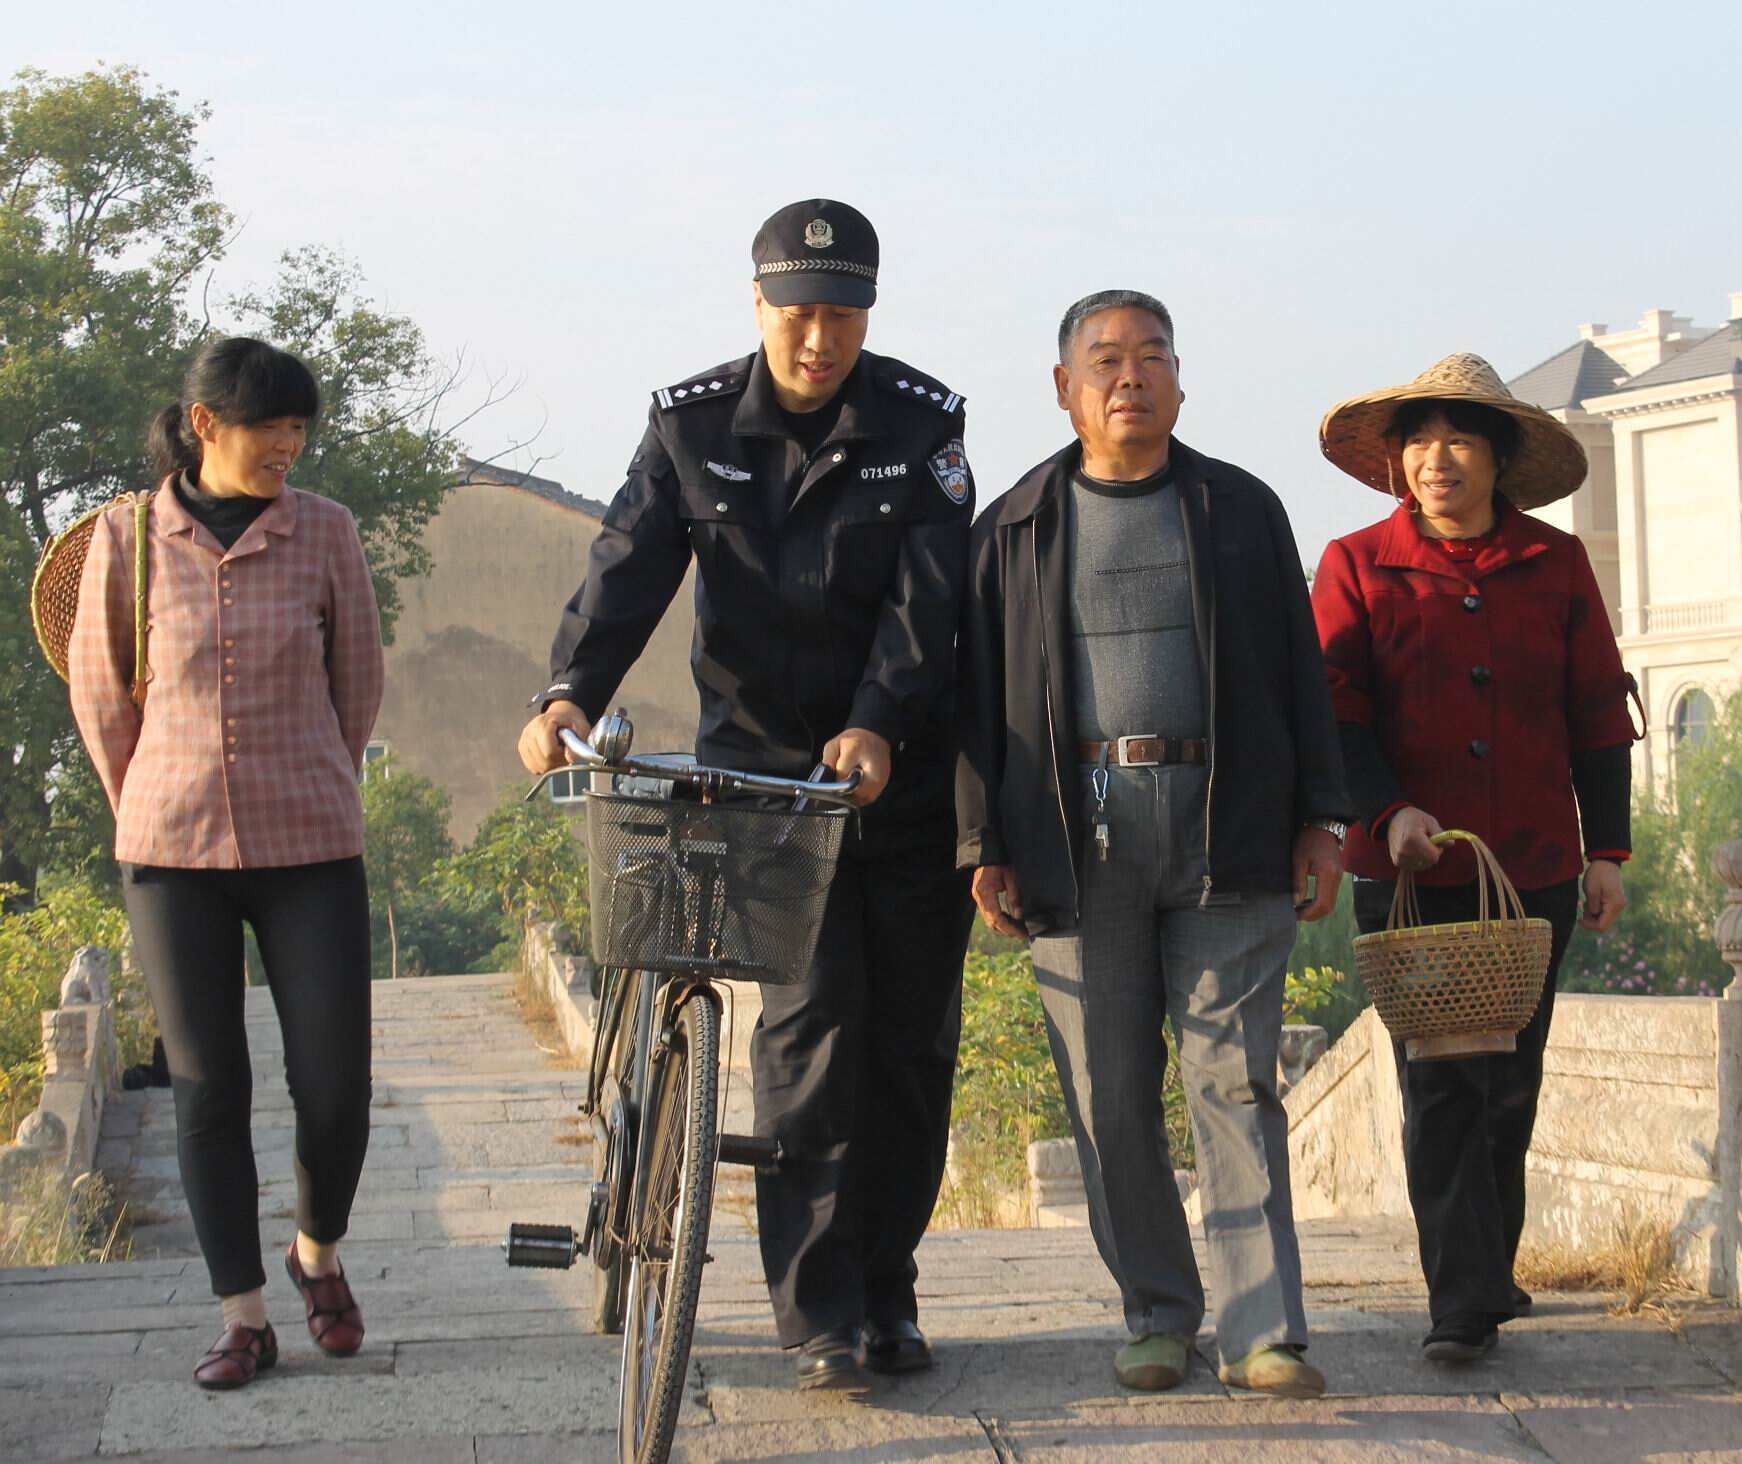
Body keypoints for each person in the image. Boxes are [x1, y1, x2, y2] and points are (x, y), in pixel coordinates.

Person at [518, 200, 974, 1392]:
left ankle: (891, 1287)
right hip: (766, 786)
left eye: (843, 315)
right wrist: (568, 693)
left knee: (912, 1053)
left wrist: (877, 721)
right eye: (799, 313)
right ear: (759, 303)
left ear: (869, 314)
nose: (820, 340)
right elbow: (626, 568)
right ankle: (820, 1311)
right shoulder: (690, 426)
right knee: (813, 1040)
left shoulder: (925, 426)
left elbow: (930, 606)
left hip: (904, 779)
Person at [957, 290, 1351, 1398]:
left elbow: (1299, 671)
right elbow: (979, 703)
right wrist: (984, 839)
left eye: (1153, 357)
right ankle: (1158, 1312)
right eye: (1107, 360)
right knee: (1110, 1094)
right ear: (1064, 387)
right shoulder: (1017, 527)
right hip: (1075, 834)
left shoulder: (1241, 511)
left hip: (1228, 822)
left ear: (1182, 381)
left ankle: (1262, 1330)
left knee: (1233, 1081)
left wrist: (1324, 818)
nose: (1131, 377)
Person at [1310, 352, 1641, 1363]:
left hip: (1535, 861)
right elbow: (1335, 709)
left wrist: (1609, 849)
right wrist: (1388, 808)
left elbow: (1596, 710)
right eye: (1417, 439)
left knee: (1511, 1081)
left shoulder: (1555, 564)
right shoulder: (1357, 563)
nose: (1434, 458)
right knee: (1440, 1084)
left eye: (1458, 439)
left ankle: (1490, 1265)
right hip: (1411, 875)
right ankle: (1460, 1302)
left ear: (1499, 458)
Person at [68, 337, 384, 1389]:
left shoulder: (326, 532)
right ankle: (242, 1317)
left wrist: (317, 777)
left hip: (311, 845)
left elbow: (360, 680)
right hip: (172, 854)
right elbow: (101, 692)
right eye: (270, 428)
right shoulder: (126, 536)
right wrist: (149, 800)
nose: (288, 446)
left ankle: (316, 1255)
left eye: (300, 430)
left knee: (334, 1084)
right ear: (207, 426)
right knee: (209, 1089)